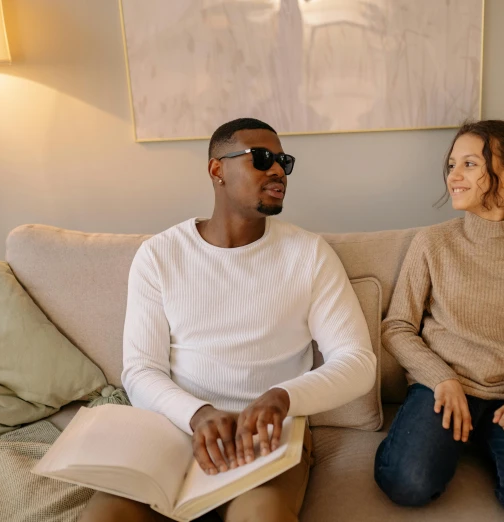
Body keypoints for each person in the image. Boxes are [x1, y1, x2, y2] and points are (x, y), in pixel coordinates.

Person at [80, 117, 376, 522]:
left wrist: (283, 396)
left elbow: (358, 362)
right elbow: (140, 369)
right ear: (217, 169)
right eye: (261, 158)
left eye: (282, 162)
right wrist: (198, 415)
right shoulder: (160, 255)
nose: (276, 169)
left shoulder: (309, 254)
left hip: (269, 437)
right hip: (175, 427)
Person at [374, 120, 504, 522]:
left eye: (470, 164)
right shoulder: (432, 242)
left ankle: (483, 441)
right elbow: (396, 326)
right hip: (441, 391)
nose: (453, 175)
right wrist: (442, 379)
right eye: (452, 164)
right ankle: (447, 438)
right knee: (407, 482)